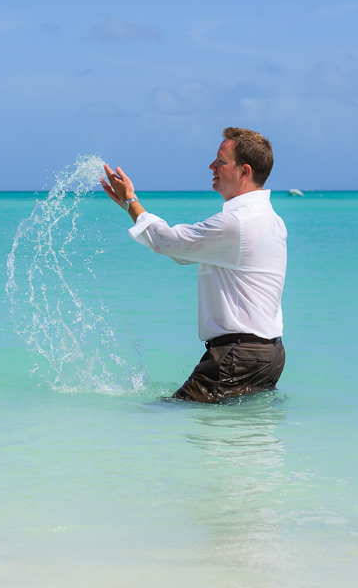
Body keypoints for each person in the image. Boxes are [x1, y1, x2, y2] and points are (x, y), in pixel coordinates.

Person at [100, 127, 287, 403]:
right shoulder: (272, 219)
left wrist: (131, 202)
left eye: (221, 162)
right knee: (238, 436)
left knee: (158, 419)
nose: (212, 167)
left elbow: (169, 242)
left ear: (244, 171)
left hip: (237, 355)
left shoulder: (237, 223)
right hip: (270, 354)